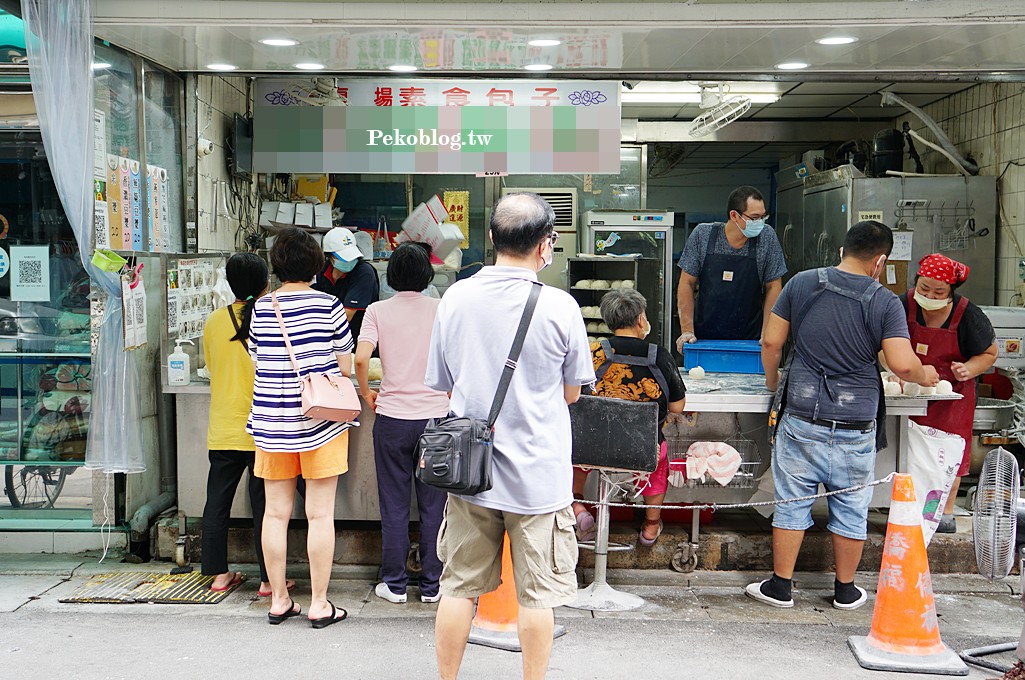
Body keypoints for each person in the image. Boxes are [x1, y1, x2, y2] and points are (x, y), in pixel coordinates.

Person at [425, 192, 594, 680]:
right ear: (546, 244)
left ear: (492, 237)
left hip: (468, 473)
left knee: (458, 588)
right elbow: (573, 392)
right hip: (538, 478)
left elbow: (443, 382)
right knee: (538, 596)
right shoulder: (561, 307)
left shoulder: (455, 298)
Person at [748, 220, 938, 610]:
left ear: (842, 250)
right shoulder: (885, 301)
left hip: (802, 415)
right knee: (851, 506)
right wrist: (926, 375)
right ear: (880, 261)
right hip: (855, 422)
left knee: (792, 503)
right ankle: (846, 590)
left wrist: (772, 381)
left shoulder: (802, 283)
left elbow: (770, 342)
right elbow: (903, 364)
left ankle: (780, 587)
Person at [248, 227, 354, 628]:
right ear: (316, 264)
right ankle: (319, 604)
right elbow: (344, 365)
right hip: (321, 421)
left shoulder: (261, 307)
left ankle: (279, 600)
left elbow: (257, 358)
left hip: (271, 423)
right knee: (320, 514)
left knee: (275, 515)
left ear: (276, 265)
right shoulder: (330, 305)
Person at [354, 242, 450, 605]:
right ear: (427, 275)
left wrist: (368, 393)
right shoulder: (441, 309)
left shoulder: (377, 310)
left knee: (394, 505)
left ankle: (394, 584)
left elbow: (361, 359)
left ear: (392, 275)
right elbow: (455, 357)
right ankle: (432, 585)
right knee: (434, 506)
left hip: (392, 418)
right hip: (435, 419)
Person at [201, 252, 294, 597]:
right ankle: (269, 581)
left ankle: (219, 575)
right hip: (262, 428)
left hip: (224, 427)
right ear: (267, 283)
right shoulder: (272, 318)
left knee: (216, 503)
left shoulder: (214, 321)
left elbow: (211, 367)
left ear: (230, 284)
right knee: (265, 508)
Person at [571, 288, 686, 546]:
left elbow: (572, 394)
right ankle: (651, 526)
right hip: (642, 449)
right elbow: (677, 407)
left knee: (574, 453)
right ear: (640, 318)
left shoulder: (593, 352)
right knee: (658, 460)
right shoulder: (660, 356)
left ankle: (578, 508)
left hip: (591, 447)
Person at [898, 253, 997, 533]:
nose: (930, 296)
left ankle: (942, 511)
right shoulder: (902, 305)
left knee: (948, 456)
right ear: (916, 282)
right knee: (907, 452)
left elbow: (990, 353)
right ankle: (903, 506)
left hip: (954, 397)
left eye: (939, 292)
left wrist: (968, 369)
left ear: (951, 291)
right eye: (924, 288)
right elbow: (883, 344)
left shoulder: (968, 315)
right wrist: (896, 369)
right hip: (911, 393)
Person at [675, 186, 787, 351]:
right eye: (755, 218)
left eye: (764, 217)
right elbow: (686, 283)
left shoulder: (767, 237)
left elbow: (774, 286)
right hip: (704, 339)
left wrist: (767, 334)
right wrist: (687, 331)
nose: (760, 223)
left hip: (750, 340)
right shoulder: (702, 235)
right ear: (734, 215)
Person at [314, 226, 380, 344]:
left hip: (357, 341)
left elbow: (346, 316)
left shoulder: (364, 273)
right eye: (343, 258)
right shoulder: (323, 271)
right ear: (330, 256)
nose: (349, 261)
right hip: (329, 340)